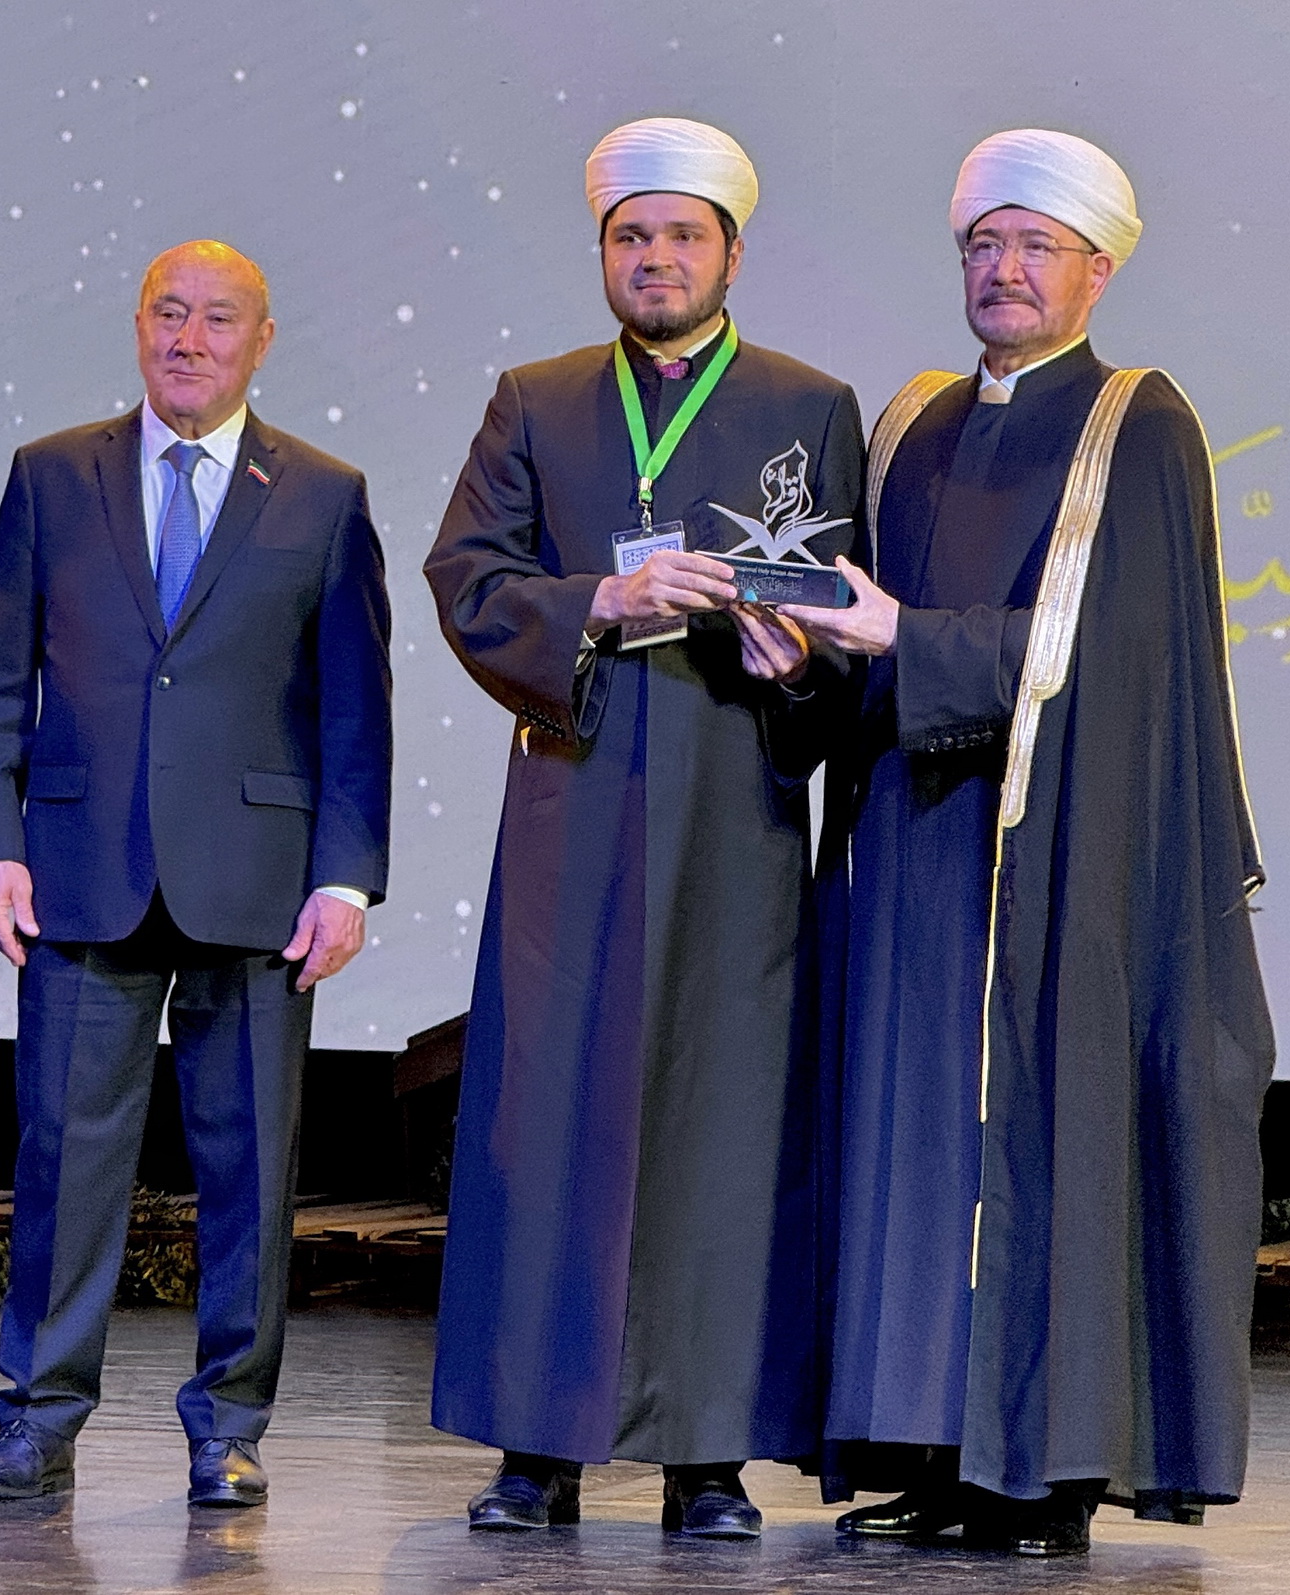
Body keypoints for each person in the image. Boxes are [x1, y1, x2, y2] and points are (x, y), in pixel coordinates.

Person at [785, 129, 1274, 1558]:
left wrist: (905, 635)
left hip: (1055, 857)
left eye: (1034, 246)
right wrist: (804, 653)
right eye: (982, 244)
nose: (1002, 269)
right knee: (913, 1153)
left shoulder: (1138, 420)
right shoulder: (911, 424)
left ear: (1096, 269)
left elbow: (1113, 657)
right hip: (908, 854)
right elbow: (862, 643)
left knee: (1035, 1146)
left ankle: (1037, 1474)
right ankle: (933, 1450)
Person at [423, 117, 866, 1538]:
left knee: (721, 1124)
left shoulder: (809, 405)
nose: (655, 257)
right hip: (576, 795)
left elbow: (849, 625)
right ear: (603, 251)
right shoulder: (536, 400)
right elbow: (465, 572)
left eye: (681, 235)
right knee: (545, 1114)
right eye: (631, 236)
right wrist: (596, 603)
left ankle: (707, 1452)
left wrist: (798, 669)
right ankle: (534, 1445)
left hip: (737, 807)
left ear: (731, 252)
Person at [0, 240, 392, 1509]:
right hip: (79, 870)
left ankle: (230, 1425)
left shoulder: (323, 493)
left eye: (217, 319)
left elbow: (354, 705)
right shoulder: (52, 474)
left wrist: (346, 878)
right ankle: (36, 1420)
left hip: (256, 883)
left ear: (262, 340)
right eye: (167, 313)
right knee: (62, 1161)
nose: (188, 339)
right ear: (138, 326)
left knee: (247, 1171)